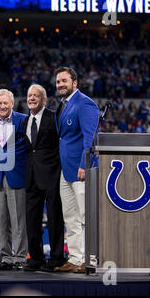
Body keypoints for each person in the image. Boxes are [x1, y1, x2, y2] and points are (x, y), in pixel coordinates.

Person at [53, 67, 100, 273]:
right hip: (66, 170)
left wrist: (84, 164)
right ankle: (75, 258)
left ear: (75, 82)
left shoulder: (85, 104)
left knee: (85, 216)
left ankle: (91, 260)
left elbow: (90, 138)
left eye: (64, 81)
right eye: (58, 82)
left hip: (81, 169)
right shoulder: (63, 105)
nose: (60, 85)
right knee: (70, 217)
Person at [0, 89, 28, 271]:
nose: (2, 106)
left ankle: (20, 257)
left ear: (12, 103)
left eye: (5, 103)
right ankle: (6, 257)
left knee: (18, 219)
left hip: (17, 175)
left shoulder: (23, 120)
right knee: (1, 219)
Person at [23, 84, 65, 272]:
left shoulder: (54, 117)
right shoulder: (25, 121)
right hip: (31, 178)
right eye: (29, 95)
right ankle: (36, 258)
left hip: (52, 176)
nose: (31, 98)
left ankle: (56, 258)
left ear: (44, 100)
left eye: (36, 96)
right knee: (32, 220)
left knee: (55, 219)